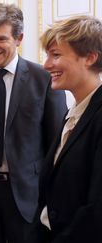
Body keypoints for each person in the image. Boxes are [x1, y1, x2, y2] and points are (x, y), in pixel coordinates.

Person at [0, 4, 67, 243]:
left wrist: (54, 197)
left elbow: (57, 146)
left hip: (27, 195)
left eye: (1, 39)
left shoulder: (44, 79)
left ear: (19, 38)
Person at [34, 15, 102, 243]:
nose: (46, 64)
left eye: (56, 55)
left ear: (90, 58)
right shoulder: (73, 113)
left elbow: (96, 212)